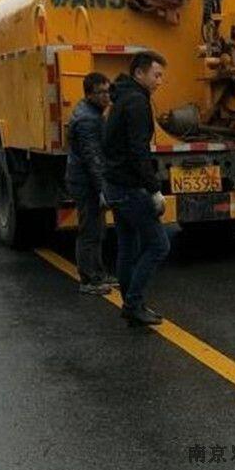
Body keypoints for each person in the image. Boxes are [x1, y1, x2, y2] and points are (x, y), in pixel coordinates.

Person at [103, 51, 170, 327]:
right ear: (139, 73)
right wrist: (154, 189)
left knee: (128, 246)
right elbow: (138, 151)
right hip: (129, 187)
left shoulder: (122, 98)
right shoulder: (137, 102)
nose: (159, 81)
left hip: (115, 184)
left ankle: (131, 304)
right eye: (156, 75)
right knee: (158, 245)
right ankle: (133, 303)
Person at [65, 72, 115, 295]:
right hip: (85, 183)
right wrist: (103, 188)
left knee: (97, 229)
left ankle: (98, 273)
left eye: (108, 91)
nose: (106, 97)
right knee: (90, 230)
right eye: (101, 92)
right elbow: (92, 157)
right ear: (89, 94)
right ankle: (89, 279)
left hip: (84, 180)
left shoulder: (91, 112)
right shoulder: (88, 119)